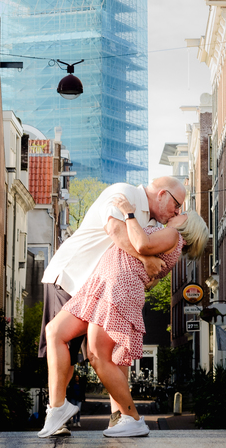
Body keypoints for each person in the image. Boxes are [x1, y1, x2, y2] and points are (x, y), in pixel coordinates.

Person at [35, 177, 187, 437]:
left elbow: (147, 261)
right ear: (162, 194)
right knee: (70, 348)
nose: (177, 212)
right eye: (177, 205)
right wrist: (146, 260)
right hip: (73, 279)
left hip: (102, 288)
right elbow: (115, 232)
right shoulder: (123, 193)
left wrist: (148, 267)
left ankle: (121, 418)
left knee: (109, 354)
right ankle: (58, 411)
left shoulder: (151, 223)